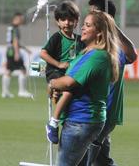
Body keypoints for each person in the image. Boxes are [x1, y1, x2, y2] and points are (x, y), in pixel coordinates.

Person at [48, 10, 121, 165]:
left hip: (81, 120)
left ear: (100, 33)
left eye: (88, 25)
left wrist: (53, 83)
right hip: (82, 120)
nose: (82, 28)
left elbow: (68, 82)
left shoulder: (97, 56)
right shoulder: (89, 53)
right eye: (84, 25)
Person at [79, 0, 137, 166]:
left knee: (86, 152)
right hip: (87, 109)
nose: (88, 16)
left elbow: (131, 56)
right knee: (102, 160)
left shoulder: (115, 45)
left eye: (93, 12)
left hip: (107, 109)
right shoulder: (88, 41)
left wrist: (111, 25)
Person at [40, 0, 85, 144]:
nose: (67, 23)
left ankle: (53, 91)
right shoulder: (57, 37)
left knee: (71, 93)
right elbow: (43, 53)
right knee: (68, 91)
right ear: (57, 22)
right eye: (63, 20)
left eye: (71, 20)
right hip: (56, 72)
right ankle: (53, 123)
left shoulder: (79, 40)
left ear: (76, 21)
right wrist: (58, 64)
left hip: (70, 74)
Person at [1, 12, 33, 98]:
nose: (22, 20)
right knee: (23, 70)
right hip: (14, 52)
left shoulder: (10, 28)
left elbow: (10, 41)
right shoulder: (15, 28)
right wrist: (17, 53)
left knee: (8, 71)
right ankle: (22, 91)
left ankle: (5, 92)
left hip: (9, 51)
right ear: (16, 19)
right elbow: (15, 41)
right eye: (21, 19)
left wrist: (25, 49)